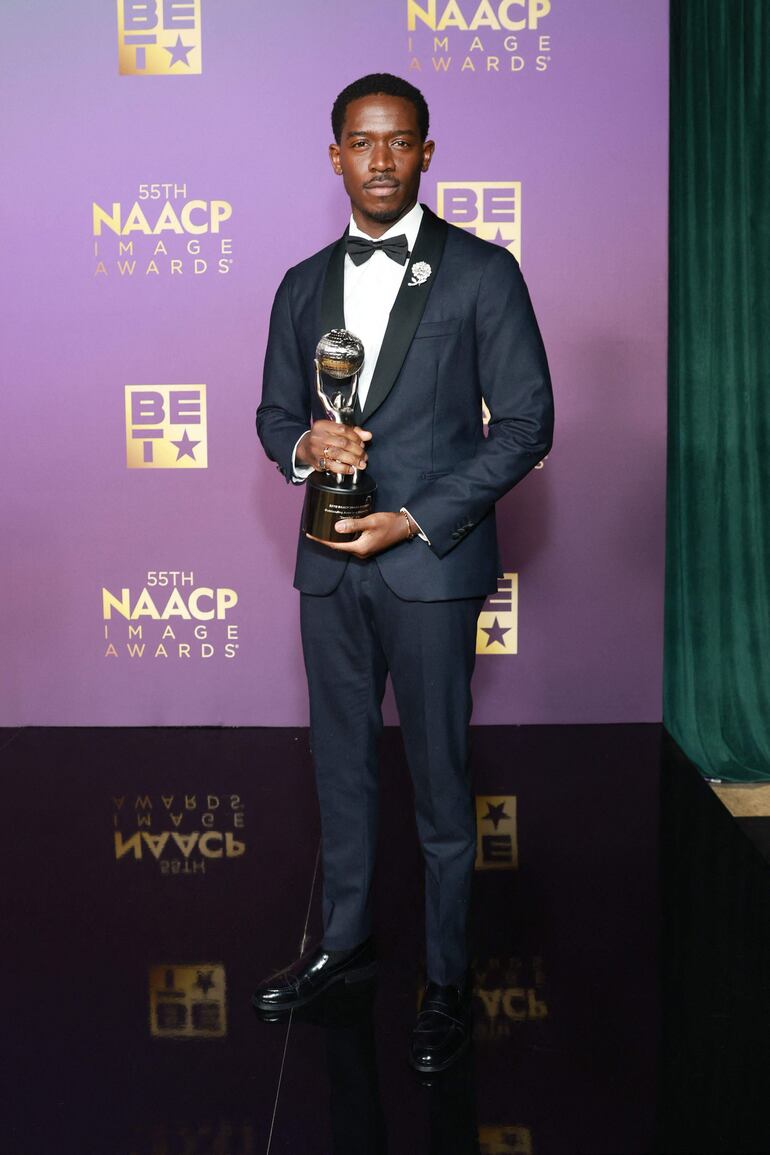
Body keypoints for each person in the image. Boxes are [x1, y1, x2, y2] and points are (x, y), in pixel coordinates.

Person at [253, 72, 553, 1073]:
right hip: (328, 568)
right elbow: (272, 415)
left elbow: (526, 423)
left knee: (439, 782)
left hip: (428, 565)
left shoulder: (482, 272)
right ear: (334, 155)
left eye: (398, 141)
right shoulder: (300, 284)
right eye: (360, 141)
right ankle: (343, 947)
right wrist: (304, 448)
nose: (378, 159)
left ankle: (446, 982)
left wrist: (415, 519)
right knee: (340, 771)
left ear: (425, 153)